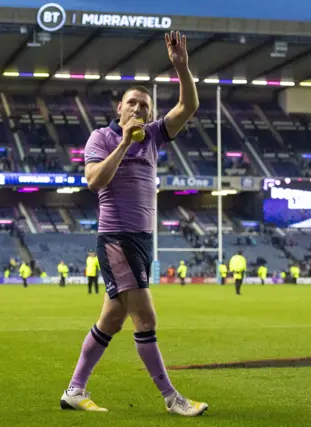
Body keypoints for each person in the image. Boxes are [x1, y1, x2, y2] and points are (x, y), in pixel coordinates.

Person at [60, 31, 207, 416]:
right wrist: (125, 143)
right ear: (119, 107)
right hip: (117, 237)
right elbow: (94, 182)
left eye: (145, 105)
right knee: (146, 317)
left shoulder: (156, 135)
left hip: (142, 238)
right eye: (133, 104)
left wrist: (182, 67)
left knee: (110, 319)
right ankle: (172, 398)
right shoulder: (102, 138)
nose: (139, 110)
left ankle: (74, 390)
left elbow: (188, 106)